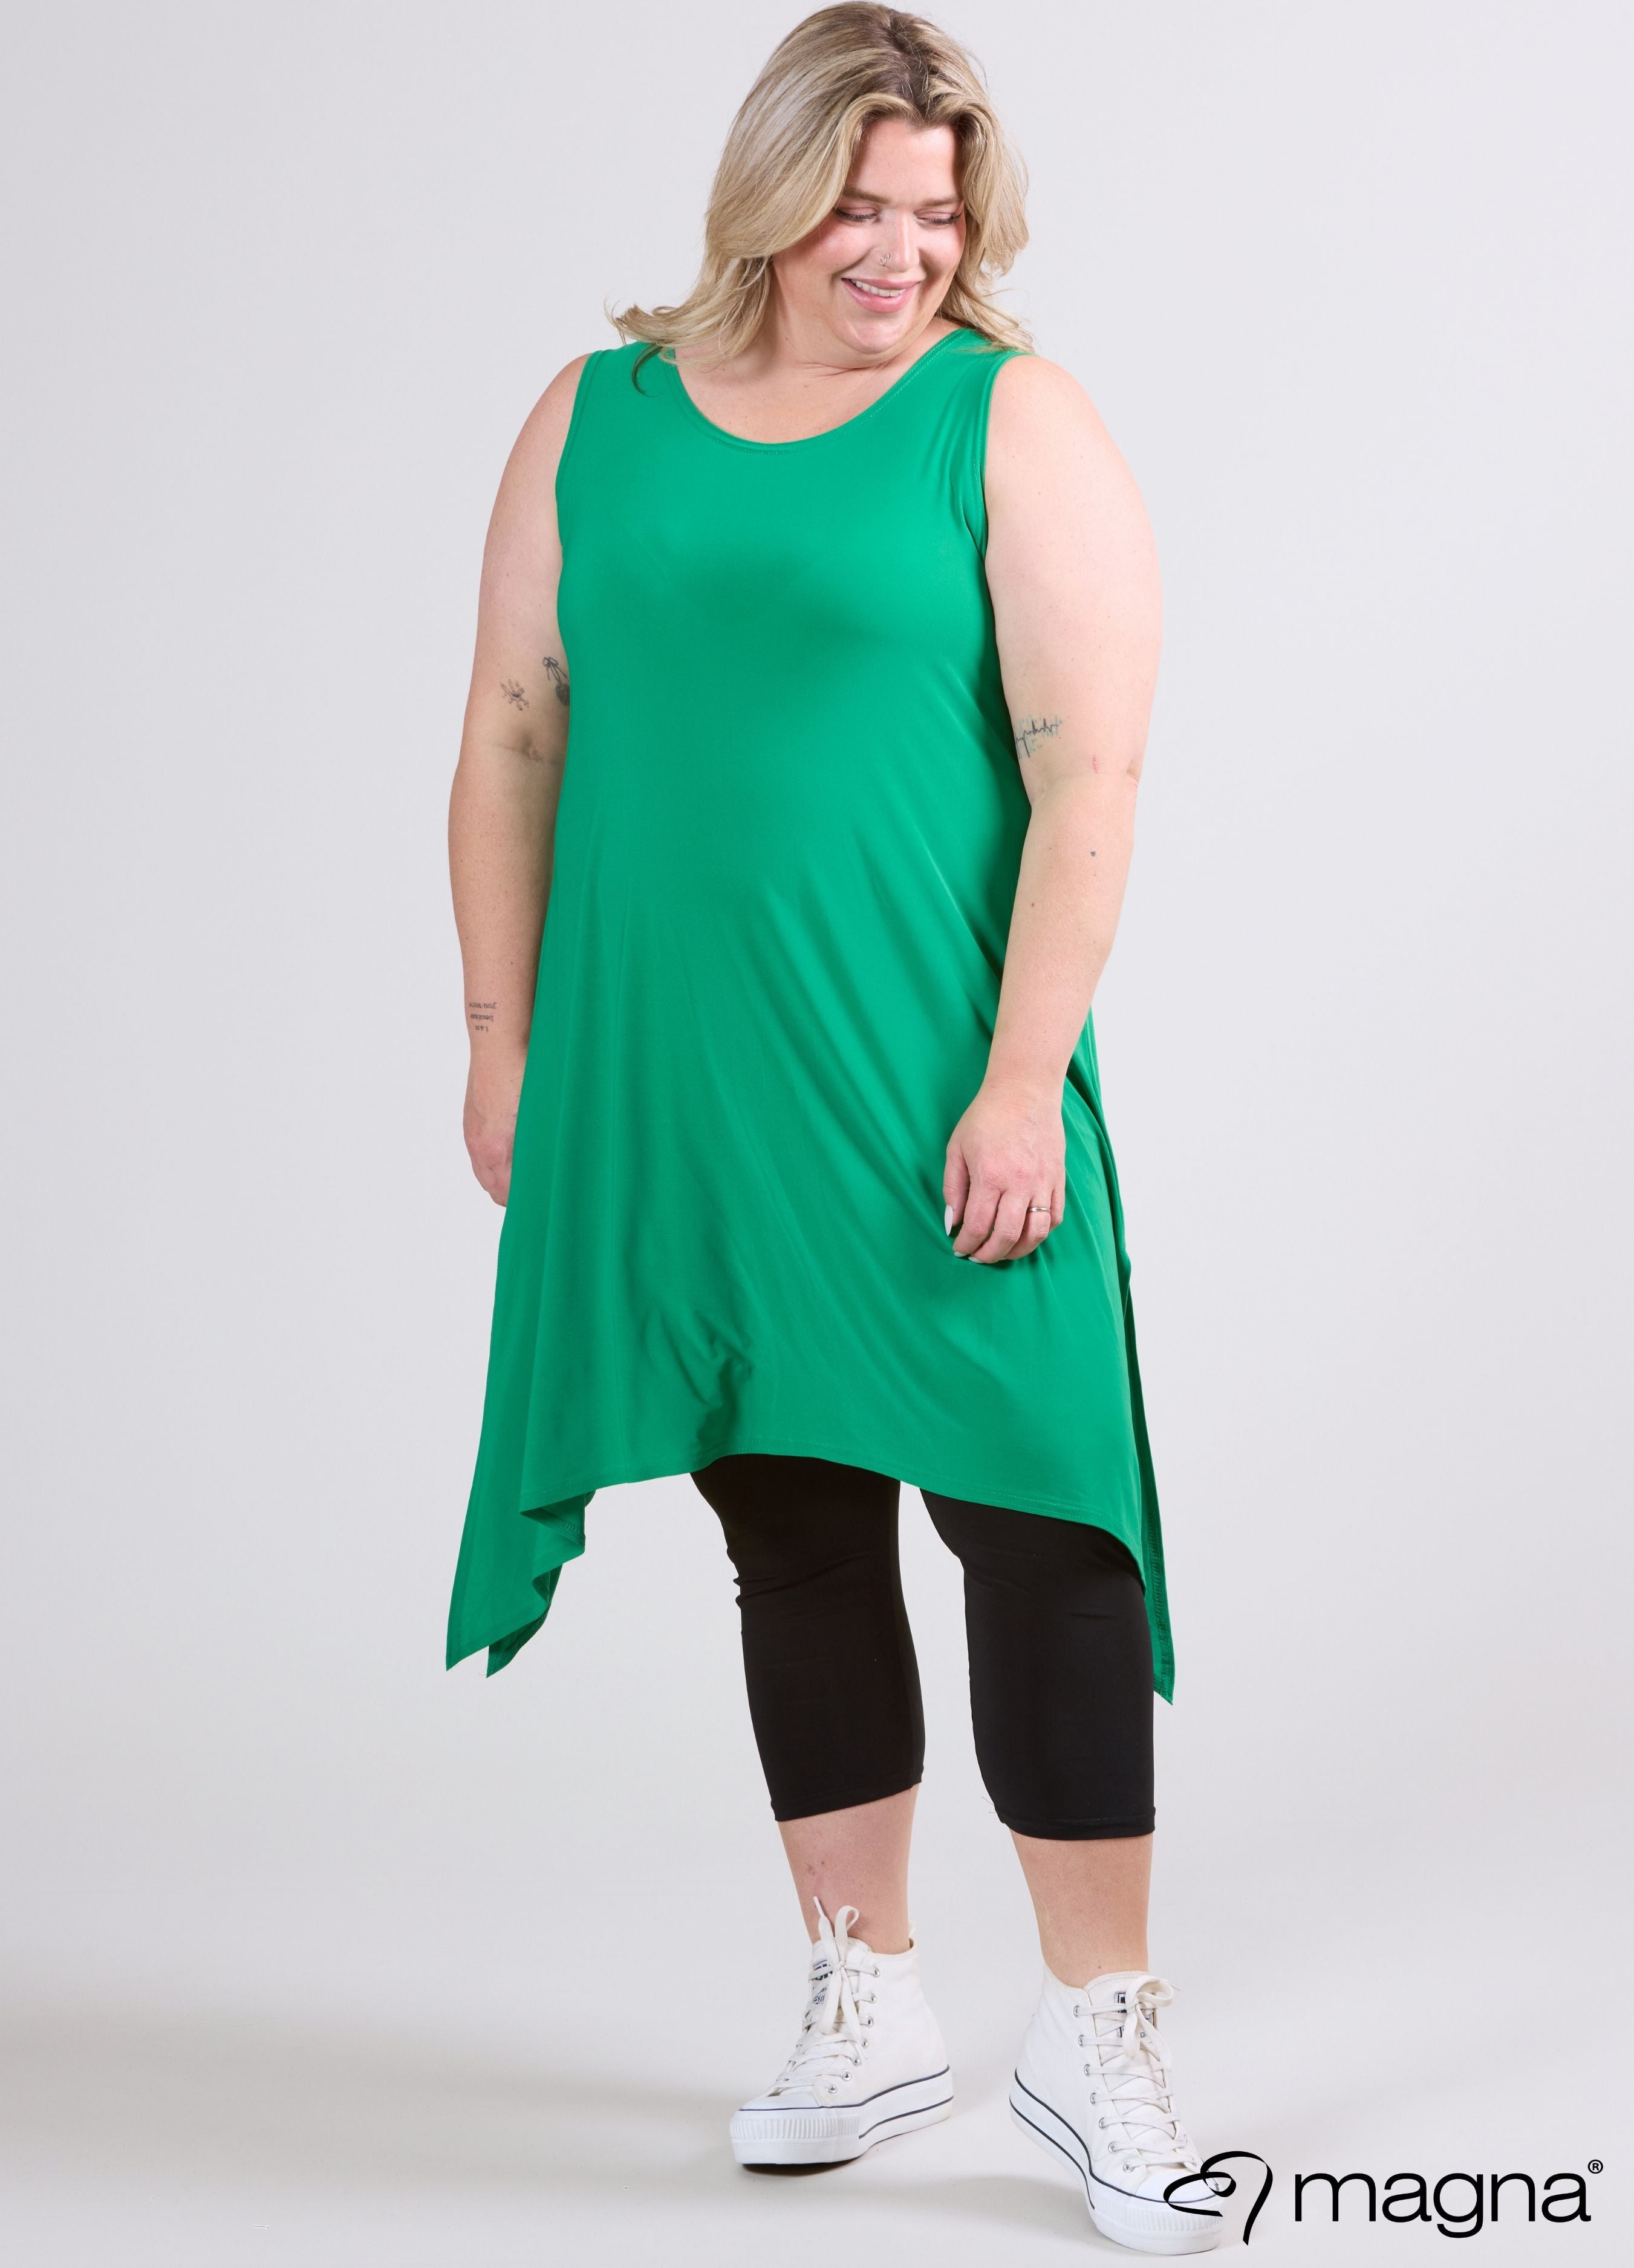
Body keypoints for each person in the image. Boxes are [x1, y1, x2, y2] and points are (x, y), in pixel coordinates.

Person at [445, 6, 1216, 2253]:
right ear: (765, 198)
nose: (901, 252)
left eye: (937, 213)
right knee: (787, 1518)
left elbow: (1090, 769)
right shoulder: (595, 417)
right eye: (859, 208)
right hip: (677, 1075)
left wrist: (1021, 1074)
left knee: (1043, 1520)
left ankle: (1101, 2028)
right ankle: (864, 1996)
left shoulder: (1011, 420)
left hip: (930, 1070)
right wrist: (502, 1039)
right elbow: (513, 730)